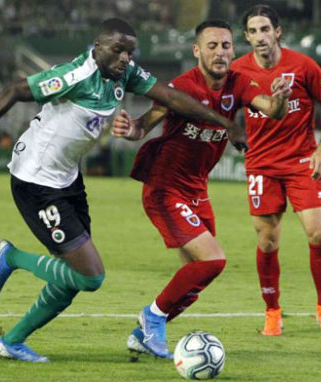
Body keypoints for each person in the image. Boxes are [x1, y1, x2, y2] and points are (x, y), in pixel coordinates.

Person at [0, 18, 248, 363]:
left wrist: (227, 123)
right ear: (97, 47)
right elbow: (13, 90)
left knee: (73, 278)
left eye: (130, 51)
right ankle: (10, 257)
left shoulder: (124, 72)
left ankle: (12, 341)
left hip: (68, 180)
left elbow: (173, 97)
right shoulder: (75, 76)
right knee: (91, 275)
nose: (125, 58)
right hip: (36, 181)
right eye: (117, 50)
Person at [112, 19, 291, 359]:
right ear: (196, 50)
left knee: (194, 281)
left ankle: (143, 334)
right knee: (213, 260)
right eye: (212, 46)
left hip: (197, 191)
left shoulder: (239, 83)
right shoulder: (182, 85)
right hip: (165, 189)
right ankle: (153, 316)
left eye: (226, 46)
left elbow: (271, 110)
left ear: (234, 50)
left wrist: (279, 100)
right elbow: (143, 126)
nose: (220, 52)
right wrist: (129, 128)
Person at [231, 4, 321, 338]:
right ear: (247, 36)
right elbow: (222, 107)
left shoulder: (303, 66)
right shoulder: (238, 71)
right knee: (267, 241)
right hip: (261, 166)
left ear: (277, 32)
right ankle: (272, 312)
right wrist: (233, 131)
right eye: (253, 31)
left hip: (301, 162)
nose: (259, 37)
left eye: (265, 29)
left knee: (318, 234)